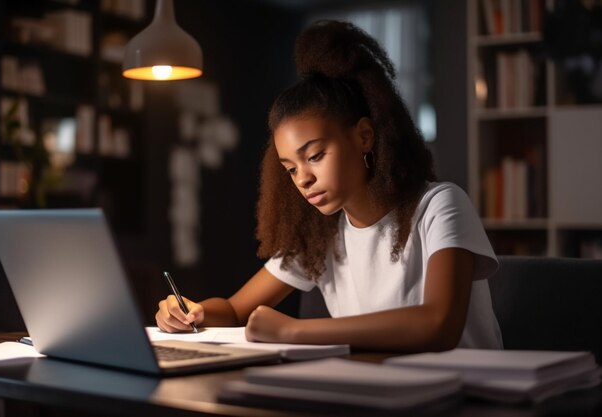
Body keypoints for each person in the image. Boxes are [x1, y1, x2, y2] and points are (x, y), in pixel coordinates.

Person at [156, 20, 503, 351]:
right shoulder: (321, 234)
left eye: (316, 155)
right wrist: (193, 312)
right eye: (290, 169)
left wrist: (293, 330)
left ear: (364, 136)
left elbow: (438, 324)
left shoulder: (439, 206)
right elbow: (234, 311)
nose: (303, 179)